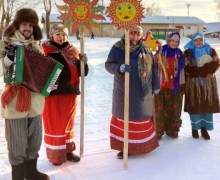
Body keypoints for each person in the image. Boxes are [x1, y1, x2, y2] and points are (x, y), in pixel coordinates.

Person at [0, 8, 49, 180]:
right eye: (24, 24)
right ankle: (18, 176)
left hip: (35, 101)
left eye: (30, 25)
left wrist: (50, 81)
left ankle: (31, 173)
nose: (27, 28)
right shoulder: (6, 43)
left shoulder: (36, 45)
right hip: (15, 101)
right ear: (17, 25)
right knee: (17, 143)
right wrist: (8, 59)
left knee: (34, 141)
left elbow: (43, 72)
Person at [105, 26, 160, 159]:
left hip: (143, 91)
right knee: (125, 118)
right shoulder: (118, 48)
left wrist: (156, 85)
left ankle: (143, 146)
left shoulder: (146, 48)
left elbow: (153, 67)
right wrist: (120, 68)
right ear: (126, 34)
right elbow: (108, 65)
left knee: (140, 118)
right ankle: (124, 148)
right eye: (131, 34)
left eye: (137, 34)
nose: (134, 37)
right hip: (124, 90)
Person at [42, 23, 89, 165]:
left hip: (70, 93)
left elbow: (83, 73)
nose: (61, 37)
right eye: (58, 34)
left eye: (63, 34)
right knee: (54, 125)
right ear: (52, 35)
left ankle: (68, 151)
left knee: (68, 124)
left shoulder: (72, 50)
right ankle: (55, 155)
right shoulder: (44, 50)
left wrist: (83, 63)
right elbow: (38, 72)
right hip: (52, 95)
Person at [184, 32, 220, 140]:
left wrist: (205, 70)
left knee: (206, 105)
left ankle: (204, 129)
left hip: (208, 84)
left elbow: (216, 63)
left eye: (200, 40)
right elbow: (186, 67)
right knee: (195, 105)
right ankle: (195, 128)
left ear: (203, 40)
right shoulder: (188, 52)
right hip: (194, 84)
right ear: (193, 41)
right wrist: (198, 71)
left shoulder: (210, 50)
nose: (198, 42)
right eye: (196, 40)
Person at [154, 32, 185, 140]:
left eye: (177, 42)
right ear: (168, 40)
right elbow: (154, 62)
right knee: (160, 109)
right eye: (172, 41)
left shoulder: (180, 53)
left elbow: (182, 69)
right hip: (162, 85)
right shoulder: (162, 50)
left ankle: (172, 130)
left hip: (175, 86)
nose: (174, 43)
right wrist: (156, 56)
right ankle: (158, 131)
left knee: (174, 109)